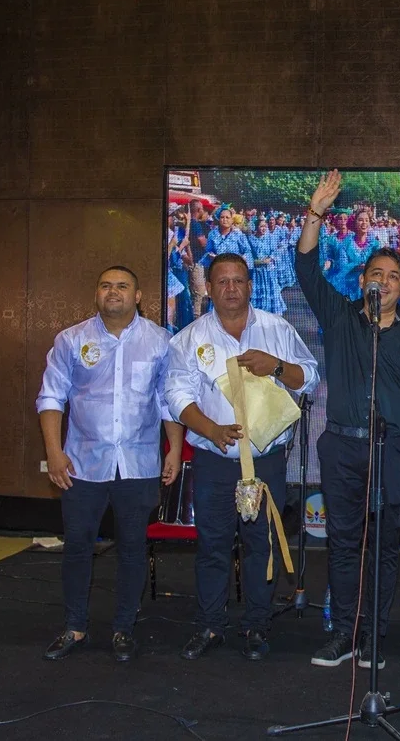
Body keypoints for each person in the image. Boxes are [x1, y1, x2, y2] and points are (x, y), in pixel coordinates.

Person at [296, 170, 400, 670]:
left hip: (390, 450)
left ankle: (374, 637)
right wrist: (316, 211)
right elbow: (307, 269)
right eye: (375, 274)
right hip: (340, 448)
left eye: (393, 277)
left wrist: (396, 420)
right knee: (342, 544)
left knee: (383, 547)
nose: (383, 282)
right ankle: (344, 634)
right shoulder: (339, 318)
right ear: (362, 282)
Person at [165, 253, 319, 661]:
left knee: (260, 545)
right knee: (213, 545)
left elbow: (310, 376)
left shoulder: (277, 328)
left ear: (250, 285)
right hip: (214, 460)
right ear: (209, 288)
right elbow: (176, 396)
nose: (231, 288)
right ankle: (211, 625)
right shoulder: (189, 338)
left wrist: (278, 367)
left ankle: (257, 624)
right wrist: (210, 429)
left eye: (238, 281)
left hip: (265, 461)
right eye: (222, 281)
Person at [36, 265, 183, 663]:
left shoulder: (160, 341)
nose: (113, 292)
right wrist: (53, 452)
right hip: (82, 464)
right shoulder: (70, 340)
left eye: (122, 286)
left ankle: (123, 628)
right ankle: (74, 626)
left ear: (138, 296)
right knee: (78, 546)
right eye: (105, 286)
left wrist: (173, 448)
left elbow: (167, 400)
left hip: (138, 464)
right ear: (96, 295)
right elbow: (51, 398)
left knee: (134, 548)